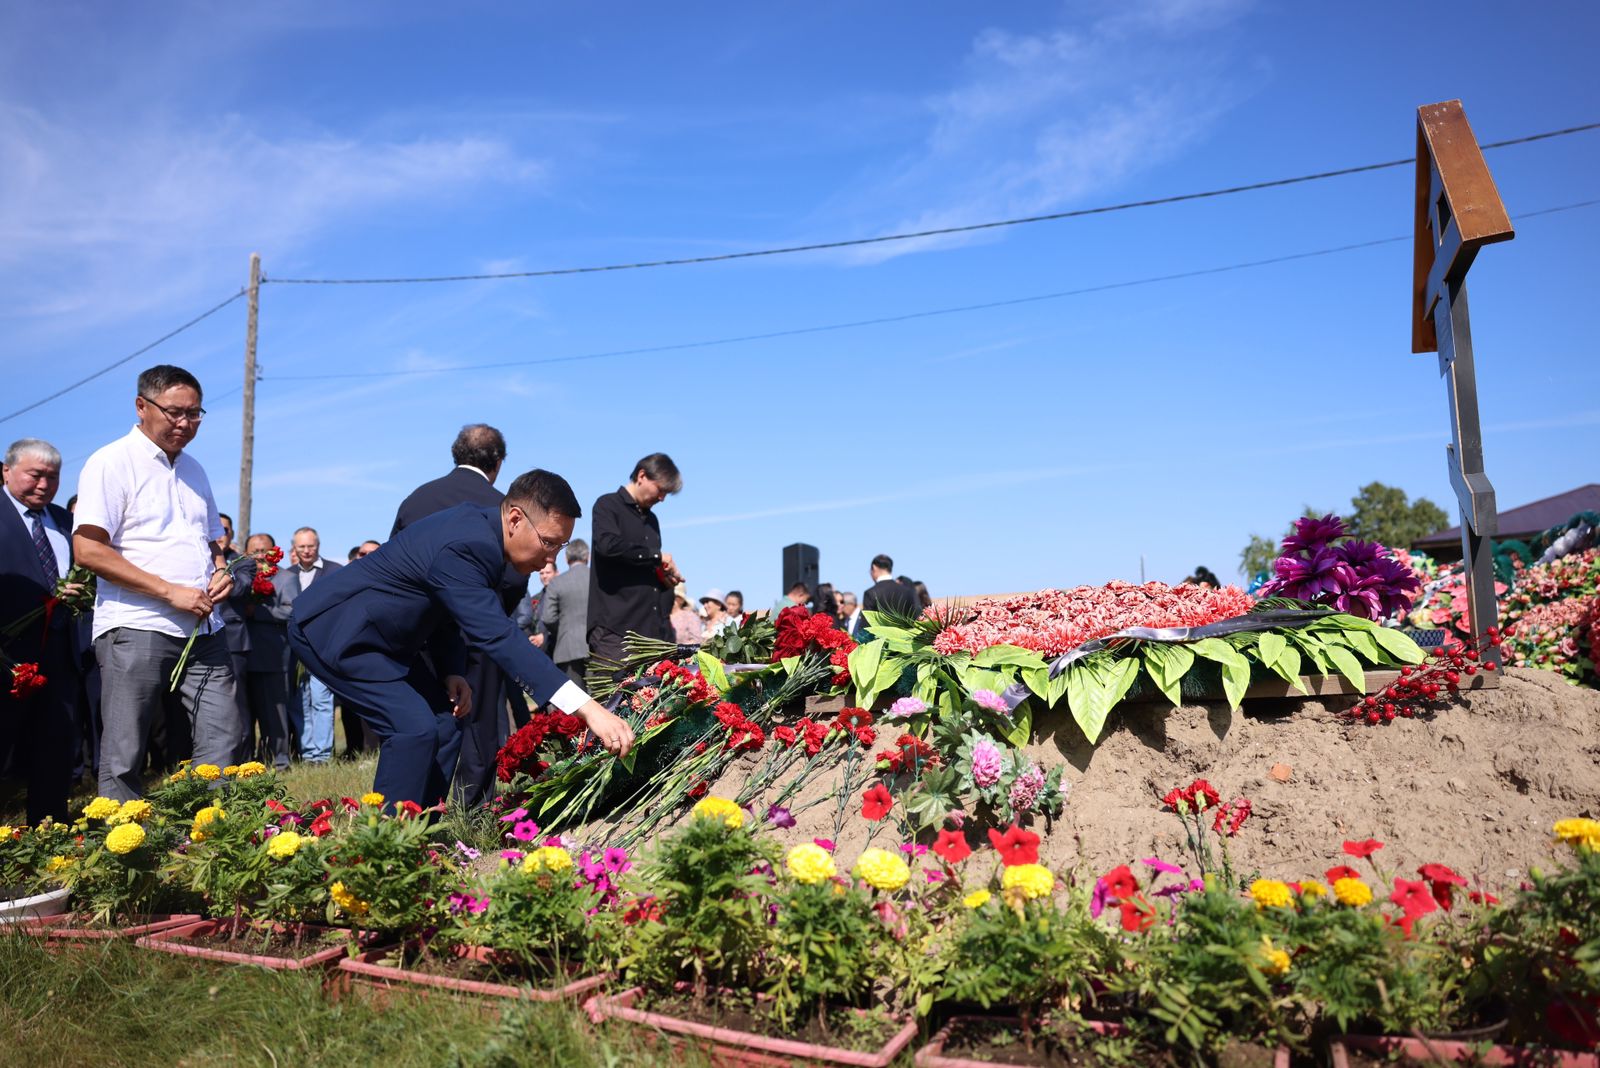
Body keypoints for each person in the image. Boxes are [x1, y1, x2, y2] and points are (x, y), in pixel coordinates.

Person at [286, 469, 634, 808]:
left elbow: (446, 609)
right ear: (515, 519)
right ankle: (386, 849)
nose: (551, 557)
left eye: (561, 546)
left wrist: (452, 669)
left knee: (445, 722)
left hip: (386, 638)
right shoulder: (468, 542)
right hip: (336, 629)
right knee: (412, 728)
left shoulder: (485, 536)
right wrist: (588, 709)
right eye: (548, 542)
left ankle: (422, 833)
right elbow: (498, 635)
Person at [72, 365, 241, 800]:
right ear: (142, 406)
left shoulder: (195, 470)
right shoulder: (110, 462)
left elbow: (212, 544)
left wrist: (220, 571)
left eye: (195, 414)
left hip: (204, 628)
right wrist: (169, 591)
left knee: (224, 734)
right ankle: (122, 849)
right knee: (125, 750)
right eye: (174, 413)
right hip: (137, 624)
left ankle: (213, 833)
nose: (185, 424)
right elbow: (88, 551)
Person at [390, 424, 527, 808]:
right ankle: (475, 809)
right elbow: (517, 576)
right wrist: (490, 614)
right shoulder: (504, 507)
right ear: (499, 462)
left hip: (425, 635)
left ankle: (419, 806)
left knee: (429, 720)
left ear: (455, 455)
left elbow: (394, 563)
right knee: (481, 724)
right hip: (478, 634)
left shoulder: (416, 500)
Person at [1, 438, 82, 822]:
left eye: (53, 477)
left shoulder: (65, 522)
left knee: (54, 746)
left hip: (60, 655)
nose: (45, 485)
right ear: (7, 470)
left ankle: (49, 832)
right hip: (7, 655)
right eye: (36, 475)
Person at [587, 453, 682, 668]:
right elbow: (608, 546)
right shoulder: (607, 505)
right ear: (642, 476)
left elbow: (645, 567)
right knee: (613, 701)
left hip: (649, 633)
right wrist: (655, 556)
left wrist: (664, 577)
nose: (662, 498)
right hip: (615, 631)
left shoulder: (652, 520)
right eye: (661, 490)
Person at [286, 527, 341, 764]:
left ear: (318, 546)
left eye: (311, 546)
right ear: (294, 549)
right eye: (301, 547)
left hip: (323, 647)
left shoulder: (334, 571)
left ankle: (323, 753)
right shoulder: (285, 574)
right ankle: (308, 752)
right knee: (299, 701)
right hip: (293, 650)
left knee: (321, 699)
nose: (306, 551)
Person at [240, 532, 294, 770]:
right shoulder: (241, 576)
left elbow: (292, 612)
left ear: (274, 551)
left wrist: (258, 613)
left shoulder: (286, 578)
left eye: (264, 550)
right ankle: (248, 759)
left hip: (273, 654)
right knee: (245, 713)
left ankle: (280, 760)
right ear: (245, 554)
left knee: (275, 711)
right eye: (254, 552)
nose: (259, 556)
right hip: (243, 653)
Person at [539, 539, 590, 686]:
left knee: (574, 705)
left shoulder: (557, 583)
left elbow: (548, 618)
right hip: (595, 647)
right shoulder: (597, 579)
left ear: (566, 559)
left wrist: (562, 631)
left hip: (567, 648)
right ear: (588, 556)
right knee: (600, 702)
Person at [861, 554, 920, 624]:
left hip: (879, 634)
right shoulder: (908, 592)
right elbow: (917, 618)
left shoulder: (870, 593)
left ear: (874, 568)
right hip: (907, 634)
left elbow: (867, 623)